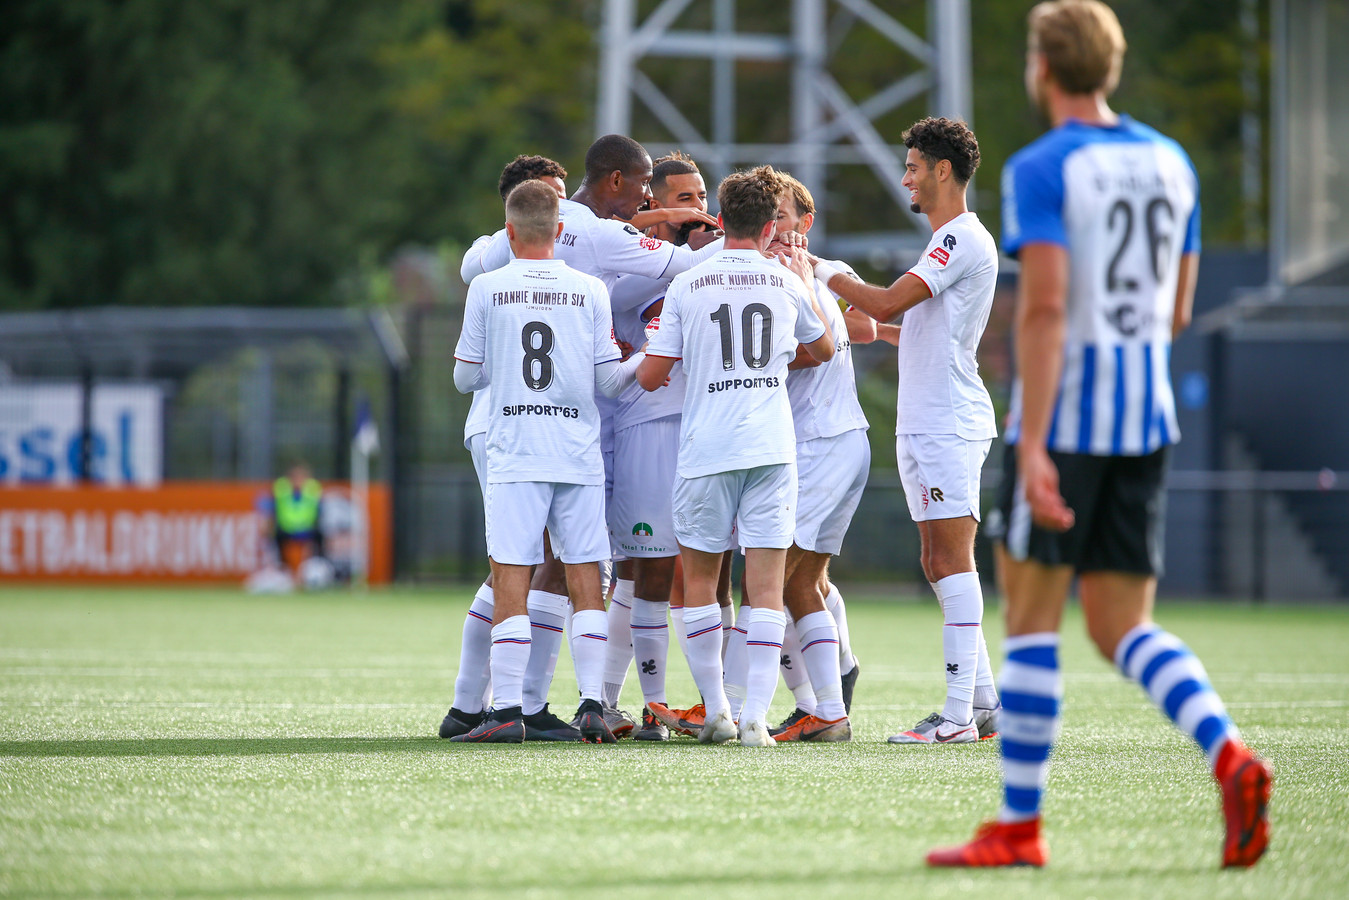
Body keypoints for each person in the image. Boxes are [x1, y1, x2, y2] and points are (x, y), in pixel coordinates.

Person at [926, 0, 1271, 868]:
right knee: (1122, 627)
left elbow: (1041, 310)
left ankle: (1018, 825)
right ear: (1109, 68)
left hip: (1068, 420)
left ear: (1042, 67)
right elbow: (1180, 309)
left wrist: (1034, 442)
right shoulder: (1172, 161)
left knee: (1032, 619)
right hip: (1145, 417)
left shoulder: (1043, 166)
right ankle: (1228, 752)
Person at [812, 117, 1002, 745]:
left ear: (943, 171)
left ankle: (954, 719)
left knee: (951, 560)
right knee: (936, 560)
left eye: (915, 167)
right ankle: (984, 705)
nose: (907, 179)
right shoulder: (944, 241)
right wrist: (851, 310)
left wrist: (826, 274)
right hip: (927, 421)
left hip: (948, 421)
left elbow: (890, 303)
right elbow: (907, 326)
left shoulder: (960, 238)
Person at [638, 165, 836, 747]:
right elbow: (822, 346)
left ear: (720, 221)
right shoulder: (785, 281)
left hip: (706, 447)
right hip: (771, 448)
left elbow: (652, 376)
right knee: (767, 586)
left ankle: (718, 710)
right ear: (772, 222)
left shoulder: (688, 284)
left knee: (698, 581)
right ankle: (755, 717)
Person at [449, 180, 645, 743]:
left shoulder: (488, 287)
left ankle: (506, 710)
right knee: (587, 577)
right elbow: (609, 380)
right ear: (560, 230)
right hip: (577, 452)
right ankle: (590, 705)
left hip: (517, 451)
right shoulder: (589, 289)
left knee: (512, 573)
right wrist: (646, 357)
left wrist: (502, 370)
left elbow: (465, 377)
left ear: (509, 232)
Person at [441, 154, 583, 743]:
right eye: (547, 197)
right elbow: (475, 266)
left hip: (537, 431)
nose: (560, 208)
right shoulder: (491, 253)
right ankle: (517, 705)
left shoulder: (567, 254)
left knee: (523, 564)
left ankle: (471, 706)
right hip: (505, 430)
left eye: (563, 194)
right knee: (524, 564)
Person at [604, 152, 719, 741]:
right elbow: (620, 307)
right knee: (640, 569)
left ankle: (700, 702)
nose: (698, 210)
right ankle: (620, 701)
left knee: (703, 569)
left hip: (703, 428)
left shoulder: (714, 260)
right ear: (654, 206)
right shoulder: (634, 264)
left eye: (702, 198)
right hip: (646, 423)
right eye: (685, 200)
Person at [761, 173, 873, 742]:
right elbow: (868, 327)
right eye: (765, 215)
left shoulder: (792, 273)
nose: (772, 226)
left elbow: (815, 347)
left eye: (781, 215)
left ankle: (818, 707)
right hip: (841, 438)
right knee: (809, 579)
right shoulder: (815, 270)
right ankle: (840, 672)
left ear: (803, 223)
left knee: (772, 581)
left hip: (819, 444)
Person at [271, 462, 324, 574]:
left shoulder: (312, 489)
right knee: (276, 536)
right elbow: (275, 510)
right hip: (287, 529)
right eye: (295, 477)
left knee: (320, 536)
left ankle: (319, 568)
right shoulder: (282, 489)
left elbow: (317, 511)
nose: (297, 480)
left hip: (307, 529)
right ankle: (282, 570)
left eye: (300, 476)